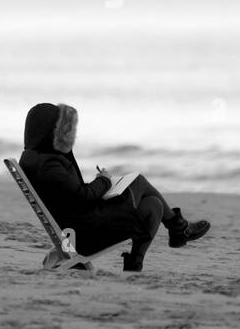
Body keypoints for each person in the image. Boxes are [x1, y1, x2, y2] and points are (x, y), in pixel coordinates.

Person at [19, 101, 210, 273]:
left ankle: (136, 262)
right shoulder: (50, 164)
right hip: (83, 234)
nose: (68, 133)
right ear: (49, 130)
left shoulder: (36, 156)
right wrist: (104, 180)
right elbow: (83, 196)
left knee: (153, 204)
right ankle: (179, 230)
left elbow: (72, 195)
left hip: (77, 224)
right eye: (61, 128)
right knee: (138, 181)